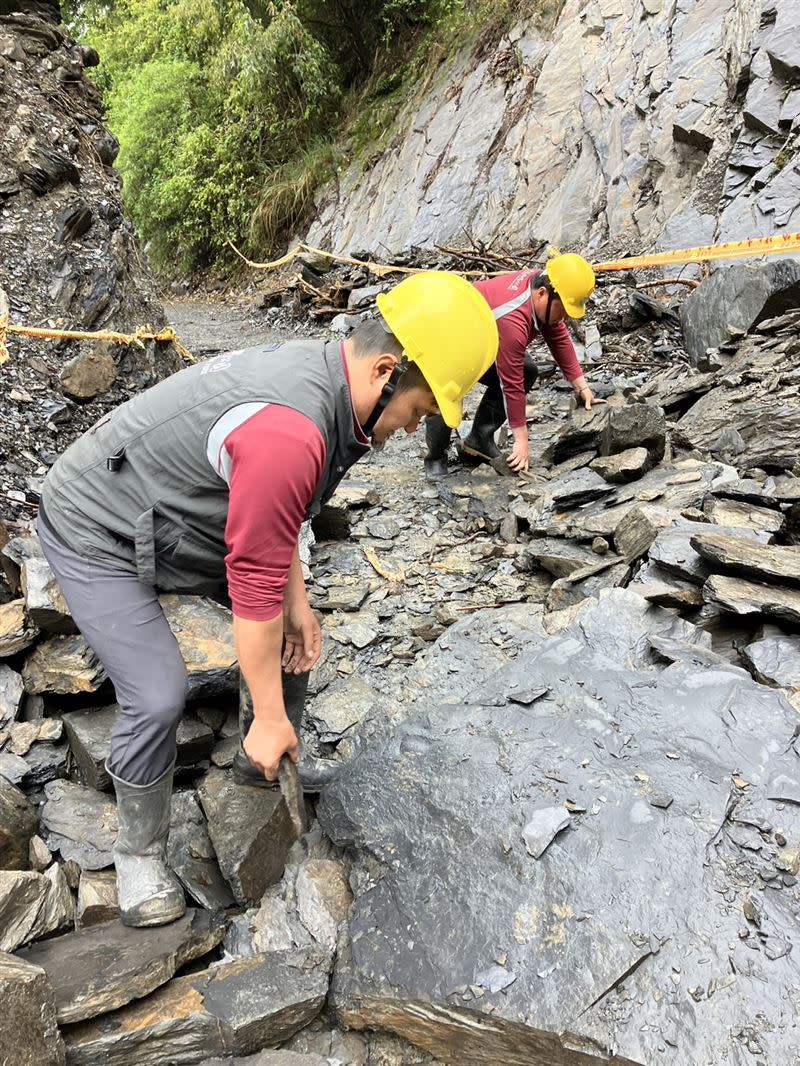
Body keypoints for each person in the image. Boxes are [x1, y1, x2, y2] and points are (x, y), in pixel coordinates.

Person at [36, 271, 498, 928]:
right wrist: (268, 701)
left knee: (294, 637)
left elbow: (285, 524)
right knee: (159, 692)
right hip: (96, 527)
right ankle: (138, 850)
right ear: (386, 370)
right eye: (417, 413)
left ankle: (261, 773)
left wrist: (299, 604)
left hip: (179, 515)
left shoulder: (334, 390)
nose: (406, 429)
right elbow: (253, 580)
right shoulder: (292, 429)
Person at [424, 252, 602, 479]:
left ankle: (478, 440)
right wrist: (521, 441)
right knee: (446, 391)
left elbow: (558, 337)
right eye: (563, 311)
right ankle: (436, 457)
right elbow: (511, 385)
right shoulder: (513, 320)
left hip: (483, 340)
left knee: (528, 370)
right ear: (542, 294)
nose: (564, 318)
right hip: (448, 338)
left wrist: (582, 388)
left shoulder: (543, 285)